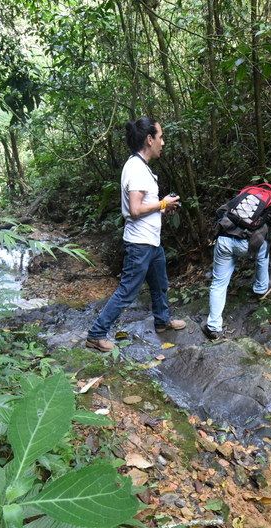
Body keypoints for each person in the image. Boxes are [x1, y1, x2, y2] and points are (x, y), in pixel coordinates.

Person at [86, 116, 186, 352]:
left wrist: (163, 208)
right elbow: (135, 209)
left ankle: (162, 321)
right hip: (139, 244)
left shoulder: (140, 167)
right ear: (149, 139)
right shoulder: (136, 169)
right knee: (127, 291)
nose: (163, 142)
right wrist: (162, 204)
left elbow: (144, 207)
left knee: (160, 283)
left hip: (151, 241)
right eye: (160, 137)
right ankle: (96, 334)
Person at [202, 186, 271, 340]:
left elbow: (221, 212)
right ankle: (261, 288)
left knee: (218, 283)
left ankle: (213, 327)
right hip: (247, 244)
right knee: (264, 248)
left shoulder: (247, 194)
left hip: (223, 239)